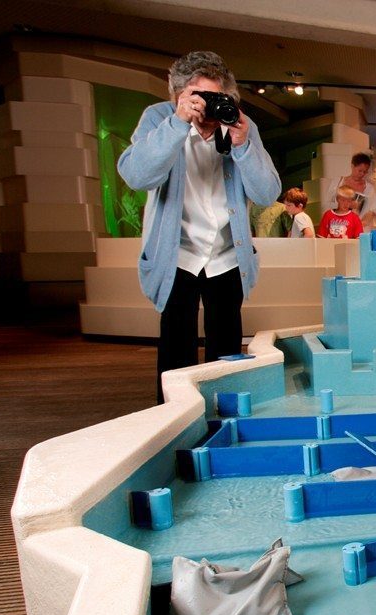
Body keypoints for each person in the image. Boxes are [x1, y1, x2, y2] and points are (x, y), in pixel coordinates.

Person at [118, 50, 279, 403]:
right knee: (176, 353)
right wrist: (176, 124)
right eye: (199, 97)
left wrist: (244, 144)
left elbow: (267, 193)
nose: (208, 108)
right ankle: (174, 423)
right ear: (179, 96)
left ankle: (224, 424)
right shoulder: (158, 118)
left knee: (226, 355)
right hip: (177, 256)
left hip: (227, 257)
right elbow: (136, 175)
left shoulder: (237, 125)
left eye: (216, 97)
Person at [324, 152, 376, 231]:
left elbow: (375, 210)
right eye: (360, 171)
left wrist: (365, 219)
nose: (362, 174)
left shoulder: (369, 188)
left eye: (365, 172)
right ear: (352, 166)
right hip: (338, 226)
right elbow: (328, 203)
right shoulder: (338, 182)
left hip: (360, 227)